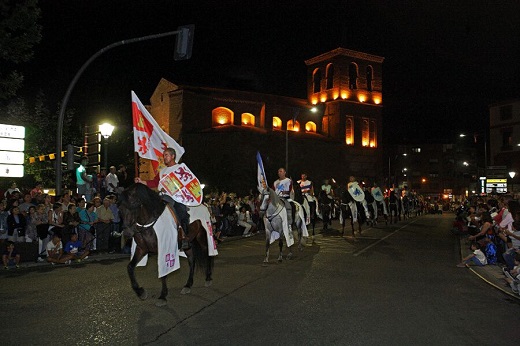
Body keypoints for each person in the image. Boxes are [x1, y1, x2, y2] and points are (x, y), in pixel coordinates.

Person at [135, 148, 191, 250]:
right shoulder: (162, 171)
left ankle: (184, 237)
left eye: (166, 155)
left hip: (176, 198)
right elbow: (154, 182)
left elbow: (186, 183)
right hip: (161, 197)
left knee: (181, 212)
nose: (164, 157)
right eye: (164, 155)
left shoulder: (180, 169)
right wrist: (141, 181)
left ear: (173, 156)